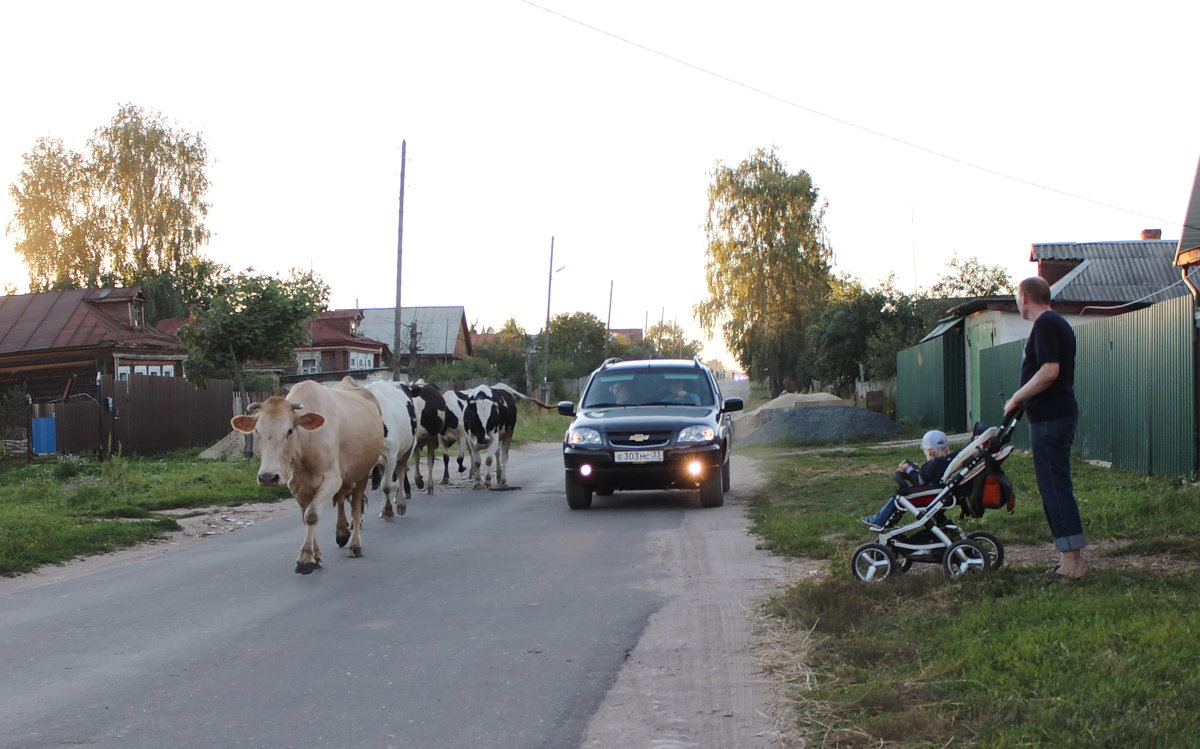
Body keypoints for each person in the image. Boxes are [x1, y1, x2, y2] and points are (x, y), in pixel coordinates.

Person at [1003, 276, 1087, 580]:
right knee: (1055, 486)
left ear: (1024, 297)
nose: (1016, 301)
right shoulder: (1055, 323)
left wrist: (1017, 396)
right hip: (1052, 417)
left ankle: (1071, 563)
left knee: (1055, 488)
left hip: (1052, 419)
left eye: (1016, 296)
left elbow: (1049, 371)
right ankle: (1071, 559)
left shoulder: (1047, 324)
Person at [862, 429, 954, 529]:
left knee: (899, 497)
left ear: (930, 452)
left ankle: (879, 521)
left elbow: (919, 480)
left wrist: (908, 469)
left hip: (931, 496)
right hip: (940, 493)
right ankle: (942, 522)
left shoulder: (932, 464)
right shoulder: (946, 462)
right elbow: (926, 476)